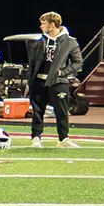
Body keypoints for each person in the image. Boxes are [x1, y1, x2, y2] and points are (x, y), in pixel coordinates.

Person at [25, 12, 82, 147]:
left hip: (58, 82)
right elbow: (32, 63)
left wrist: (63, 72)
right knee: (38, 111)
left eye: (43, 23)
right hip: (39, 80)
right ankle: (36, 137)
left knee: (61, 111)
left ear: (51, 25)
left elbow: (77, 62)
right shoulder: (38, 41)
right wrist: (30, 81)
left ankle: (63, 139)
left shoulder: (70, 41)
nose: (40, 26)